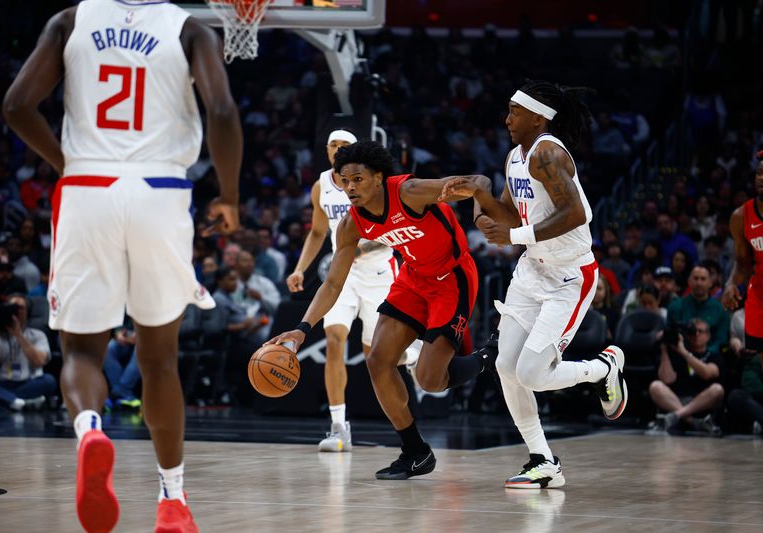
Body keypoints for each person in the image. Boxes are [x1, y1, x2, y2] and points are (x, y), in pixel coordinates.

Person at [3, 1, 242, 531]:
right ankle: (173, 501)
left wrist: (70, 163)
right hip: (161, 192)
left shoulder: (68, 19)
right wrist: (228, 196)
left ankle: (90, 430)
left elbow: (17, 105)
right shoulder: (191, 28)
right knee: (159, 360)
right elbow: (222, 111)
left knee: (83, 349)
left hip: (88, 188)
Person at [268, 140, 495, 479]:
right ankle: (415, 452)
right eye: (345, 181)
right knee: (378, 360)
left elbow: (480, 181)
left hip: (452, 277)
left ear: (378, 177)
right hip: (413, 280)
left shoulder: (410, 192)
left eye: (358, 179)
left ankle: (489, 354)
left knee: (430, 380)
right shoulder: (351, 224)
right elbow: (332, 284)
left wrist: (476, 203)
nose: (350, 187)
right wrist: (302, 329)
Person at [441, 81, 628, 489]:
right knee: (507, 367)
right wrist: (481, 195)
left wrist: (514, 237)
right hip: (531, 272)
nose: (507, 119)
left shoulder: (547, 151)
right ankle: (543, 460)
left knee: (530, 373)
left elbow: (578, 213)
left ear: (538, 117)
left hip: (568, 276)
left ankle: (602, 368)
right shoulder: (514, 158)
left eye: (514, 112)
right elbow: (508, 215)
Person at [286, 130, 419, 452]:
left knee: (379, 355)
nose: (337, 149)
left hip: (378, 272)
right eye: (333, 144)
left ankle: (410, 359)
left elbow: (393, 230)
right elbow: (318, 232)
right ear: (327, 149)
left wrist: (359, 250)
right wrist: (300, 268)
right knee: (334, 341)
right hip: (340, 274)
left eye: (344, 145)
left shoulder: (374, 184)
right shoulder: (322, 185)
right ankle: (337, 427)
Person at [0, 293, 56, 411]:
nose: (16, 312)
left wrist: (18, 334)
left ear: (28, 312)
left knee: (49, 381)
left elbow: (39, 361)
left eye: (20, 308)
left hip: (27, 383)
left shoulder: (38, 335)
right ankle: (20, 403)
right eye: (12, 308)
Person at [723, 153, 763, 376]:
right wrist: (730, 284)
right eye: (759, 173)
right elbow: (743, 265)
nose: (761, 178)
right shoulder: (741, 216)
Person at [650, 318, 724, 435]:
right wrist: (664, 350)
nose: (696, 335)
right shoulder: (676, 353)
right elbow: (667, 379)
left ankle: (677, 415)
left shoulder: (714, 357)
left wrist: (684, 352)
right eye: (693, 332)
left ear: (708, 336)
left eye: (700, 331)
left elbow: (707, 373)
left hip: (701, 402)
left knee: (717, 389)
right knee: (655, 386)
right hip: (676, 401)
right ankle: (692, 421)